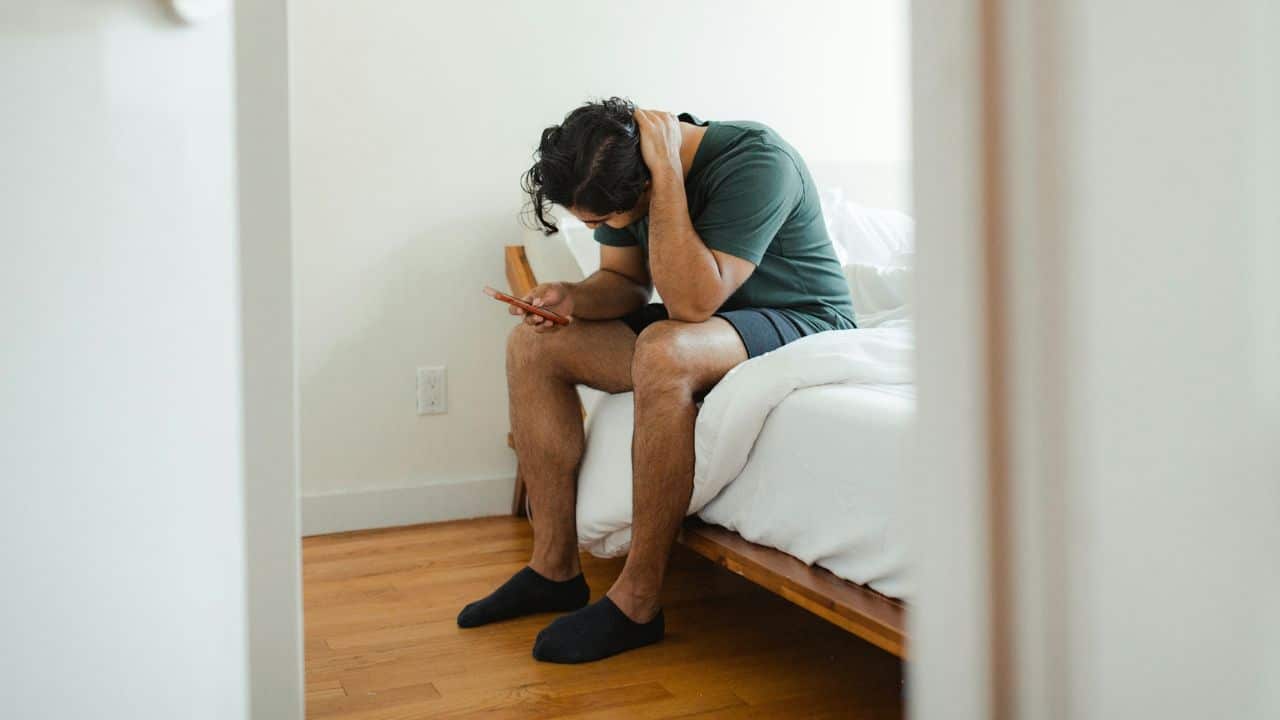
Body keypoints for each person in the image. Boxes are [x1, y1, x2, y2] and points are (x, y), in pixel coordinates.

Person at [457, 97, 855, 663]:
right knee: (534, 345)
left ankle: (638, 601)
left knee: (665, 351)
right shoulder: (613, 162)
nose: (594, 229)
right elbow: (623, 283)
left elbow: (691, 303)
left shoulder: (756, 160)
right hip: (715, 322)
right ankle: (554, 569)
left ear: (643, 185)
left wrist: (668, 177)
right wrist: (571, 298)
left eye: (598, 222)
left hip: (802, 320)